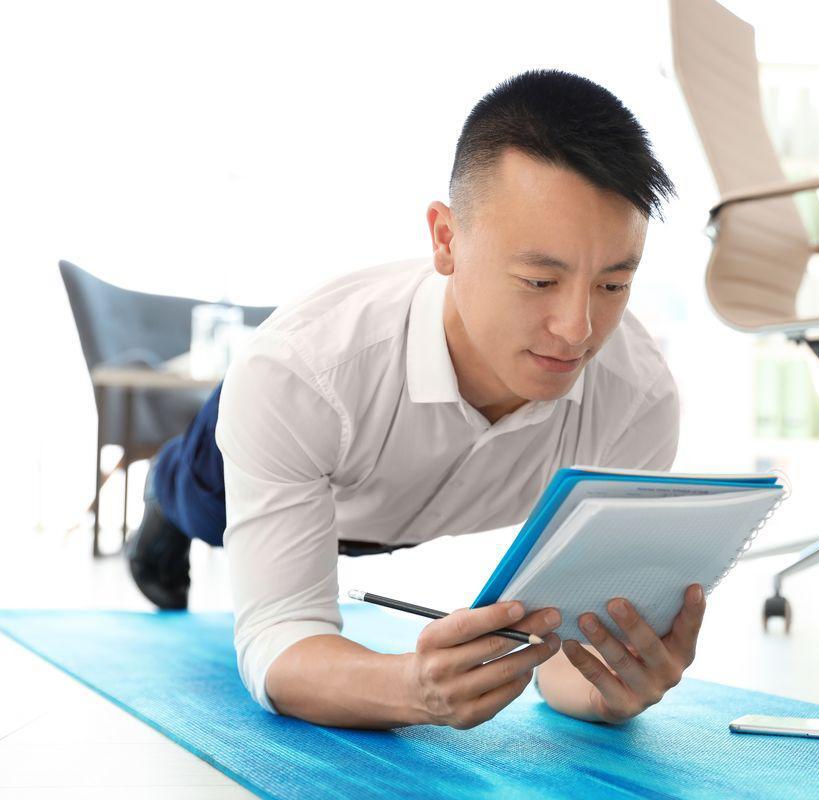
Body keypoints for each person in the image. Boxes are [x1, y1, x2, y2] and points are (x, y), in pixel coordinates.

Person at [125, 69, 706, 731]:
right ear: (446, 239)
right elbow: (277, 642)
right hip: (251, 465)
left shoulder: (638, 403)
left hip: (386, 517)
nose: (577, 330)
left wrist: (611, 688)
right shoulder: (301, 373)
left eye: (611, 286)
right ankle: (160, 495)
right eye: (540, 279)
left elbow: (570, 655)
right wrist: (410, 689)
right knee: (193, 497)